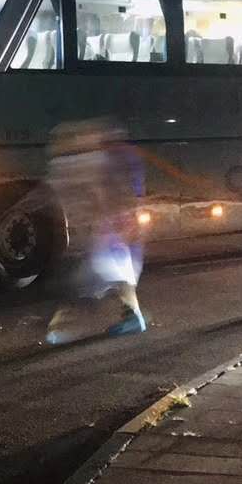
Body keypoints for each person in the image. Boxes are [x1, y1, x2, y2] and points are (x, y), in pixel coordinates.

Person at [44, 117, 148, 344]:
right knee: (114, 275)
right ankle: (132, 317)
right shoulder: (120, 157)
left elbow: (102, 194)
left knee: (96, 276)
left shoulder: (104, 160)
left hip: (111, 228)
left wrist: (110, 218)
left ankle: (63, 324)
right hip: (114, 227)